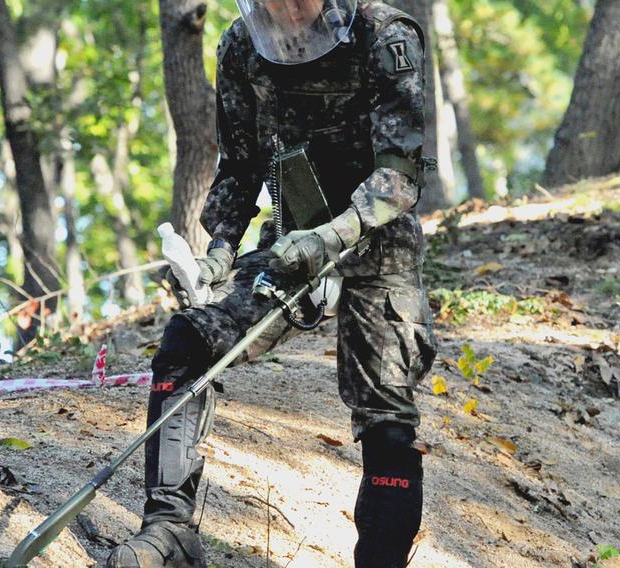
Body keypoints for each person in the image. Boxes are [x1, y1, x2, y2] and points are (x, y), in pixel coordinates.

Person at [106, 1, 437, 566]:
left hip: (376, 244)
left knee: (387, 415)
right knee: (189, 341)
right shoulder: (240, 47)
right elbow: (240, 165)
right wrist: (218, 250)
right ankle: (169, 529)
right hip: (288, 244)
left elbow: (400, 173)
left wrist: (332, 236)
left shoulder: (385, 36)